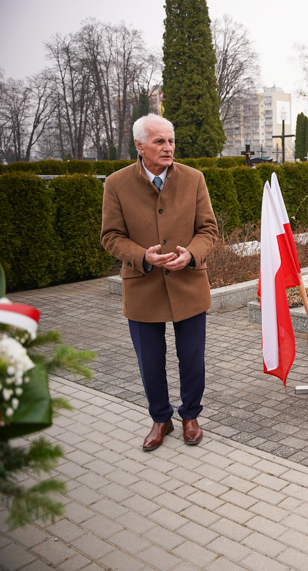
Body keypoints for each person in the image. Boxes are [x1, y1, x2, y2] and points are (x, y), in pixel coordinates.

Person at [101, 114, 218, 451]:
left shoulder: (194, 179)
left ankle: (191, 416)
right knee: (150, 361)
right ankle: (161, 419)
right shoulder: (116, 184)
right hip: (142, 286)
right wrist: (141, 256)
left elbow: (208, 230)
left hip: (189, 284)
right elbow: (110, 236)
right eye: (160, 141)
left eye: (171, 140)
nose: (168, 148)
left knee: (192, 357)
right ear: (139, 146)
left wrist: (192, 255)